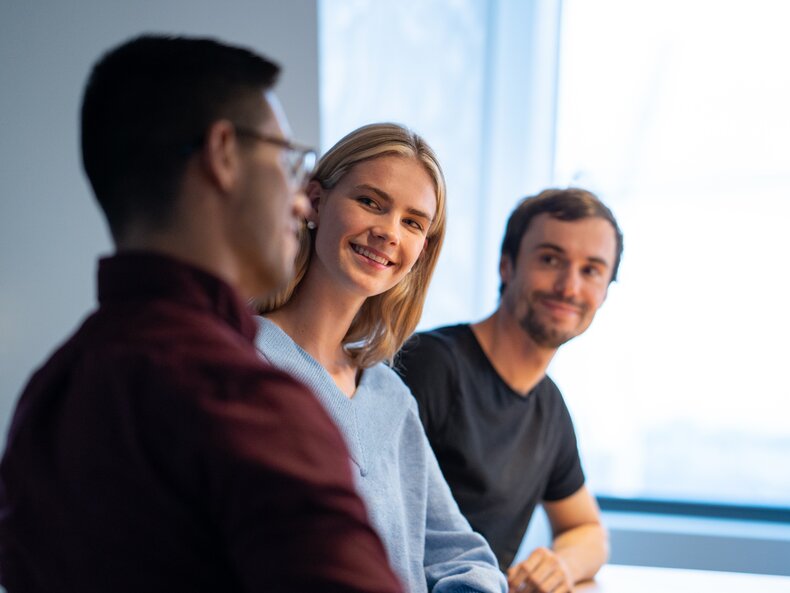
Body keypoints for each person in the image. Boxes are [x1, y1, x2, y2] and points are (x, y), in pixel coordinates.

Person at [0, 35, 403, 593]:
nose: (297, 199)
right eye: (287, 162)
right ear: (223, 154)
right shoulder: (247, 402)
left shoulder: (49, 396)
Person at [255, 122, 507, 593]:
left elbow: (463, 554)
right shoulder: (242, 363)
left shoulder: (390, 397)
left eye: (413, 222)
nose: (389, 232)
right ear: (313, 202)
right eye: (370, 202)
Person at [397, 188, 623, 593]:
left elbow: (588, 529)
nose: (569, 287)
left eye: (591, 270)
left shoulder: (549, 407)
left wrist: (560, 566)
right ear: (507, 266)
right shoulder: (430, 365)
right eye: (550, 259)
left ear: (605, 291)